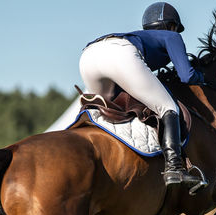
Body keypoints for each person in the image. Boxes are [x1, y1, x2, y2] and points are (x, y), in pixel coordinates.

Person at [79, 2, 206, 192]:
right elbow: (186, 76)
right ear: (172, 26)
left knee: (105, 111)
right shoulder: (172, 36)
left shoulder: (142, 36)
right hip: (120, 53)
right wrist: (203, 77)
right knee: (168, 107)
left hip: (88, 56)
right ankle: (174, 167)